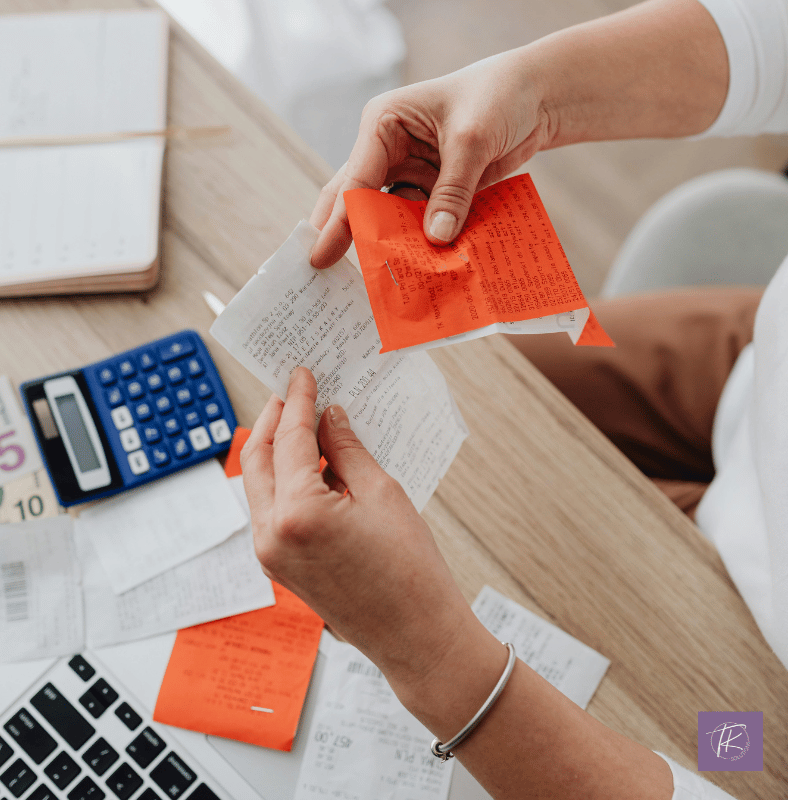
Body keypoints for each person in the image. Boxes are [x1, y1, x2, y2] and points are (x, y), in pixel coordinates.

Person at [241, 0, 787, 797]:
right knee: (463, 394)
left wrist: (430, 660)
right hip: (753, 370)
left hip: (761, 665)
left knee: (458, 548)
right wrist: (531, 90)